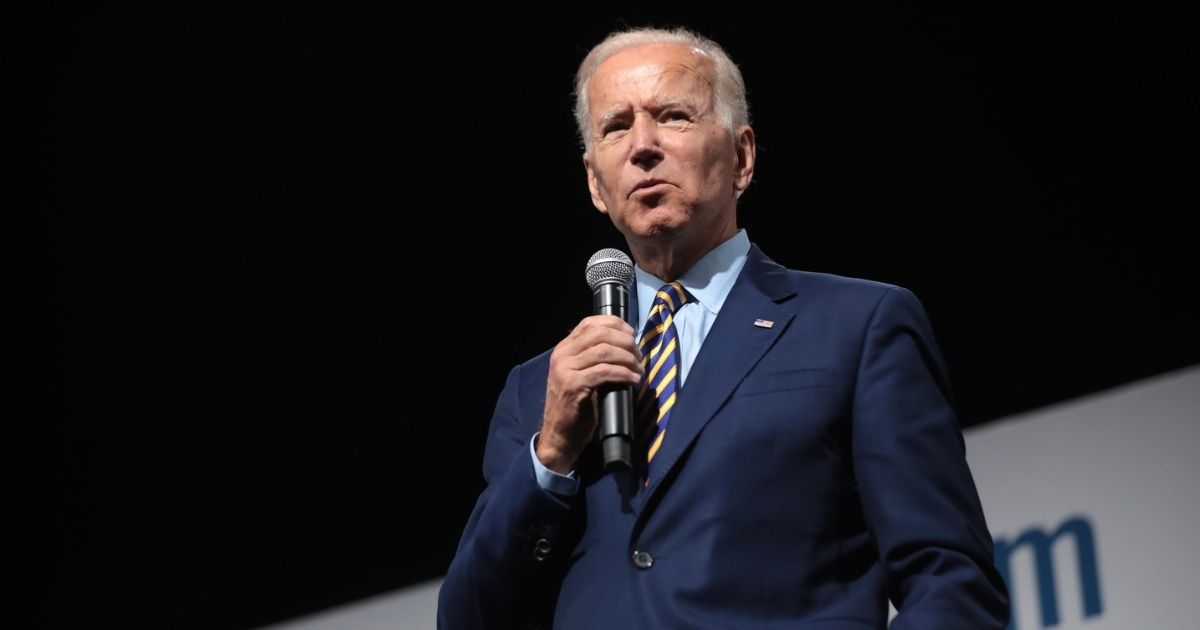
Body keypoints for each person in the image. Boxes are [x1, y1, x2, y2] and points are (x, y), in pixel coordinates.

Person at [437, 25, 1009, 629]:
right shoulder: (537, 392)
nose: (643, 146)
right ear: (594, 182)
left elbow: (950, 579)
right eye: (616, 127)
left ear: (742, 156)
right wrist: (551, 453)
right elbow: (470, 619)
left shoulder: (857, 327)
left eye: (674, 116)